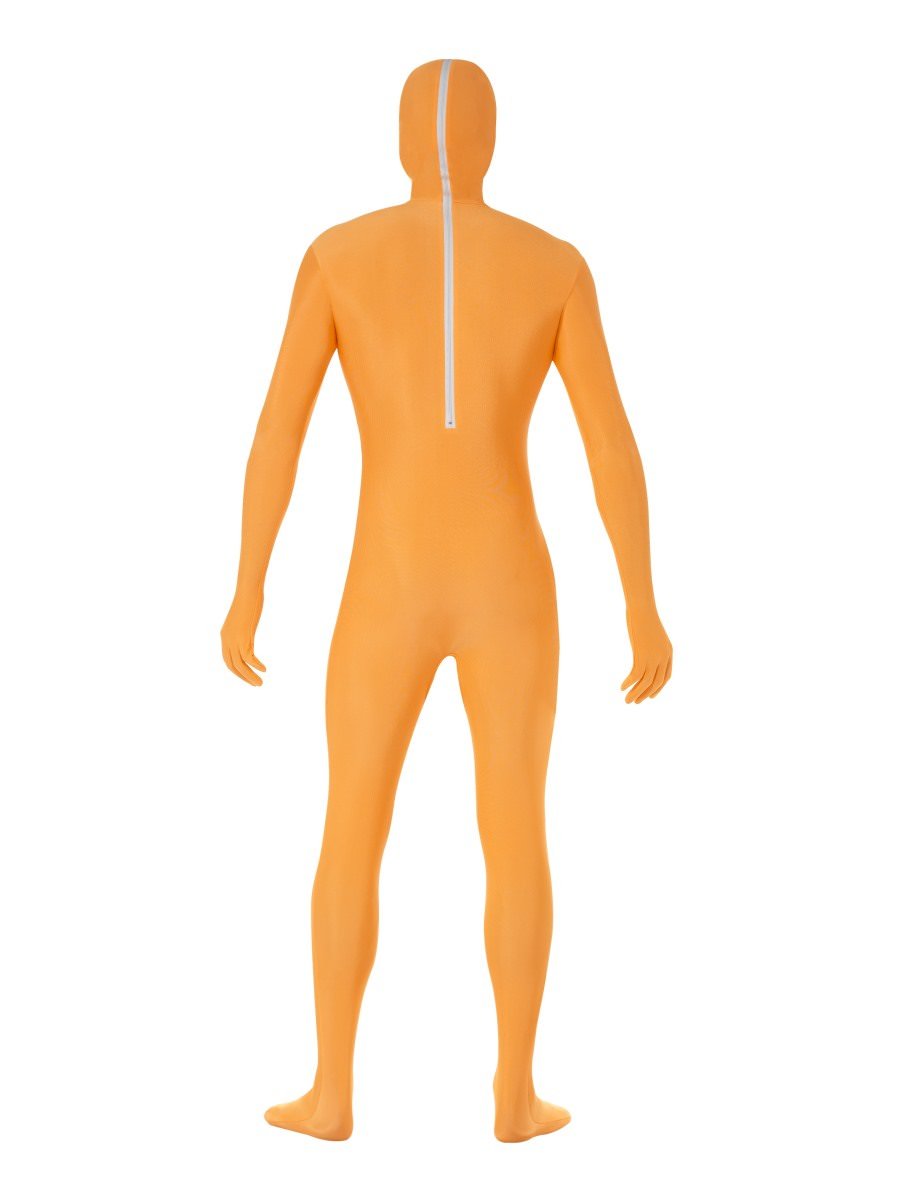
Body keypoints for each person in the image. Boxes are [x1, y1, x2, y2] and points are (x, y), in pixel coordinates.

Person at [221, 58, 672, 1142]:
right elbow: (610, 444)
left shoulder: (338, 256)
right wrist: (641, 602)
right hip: (511, 583)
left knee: (351, 823)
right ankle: (514, 1095)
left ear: (401, 141)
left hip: (386, 583)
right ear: (491, 141)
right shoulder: (554, 265)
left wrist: (248, 587)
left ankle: (332, 1092)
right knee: (516, 828)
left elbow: (278, 429)